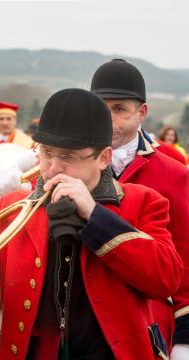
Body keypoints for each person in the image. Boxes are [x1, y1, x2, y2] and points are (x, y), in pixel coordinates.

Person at [0, 88, 182, 359]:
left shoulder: (143, 201)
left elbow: (165, 279)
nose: (52, 167)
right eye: (47, 153)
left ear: (103, 158)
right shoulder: (12, 205)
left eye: (68, 156)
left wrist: (94, 216)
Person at [89, 59, 189, 358]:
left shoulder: (175, 174)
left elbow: (185, 260)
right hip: (82, 319)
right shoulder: (71, 165)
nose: (108, 120)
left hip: (145, 324)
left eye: (119, 109)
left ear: (142, 113)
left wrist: (184, 337)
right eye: (101, 108)